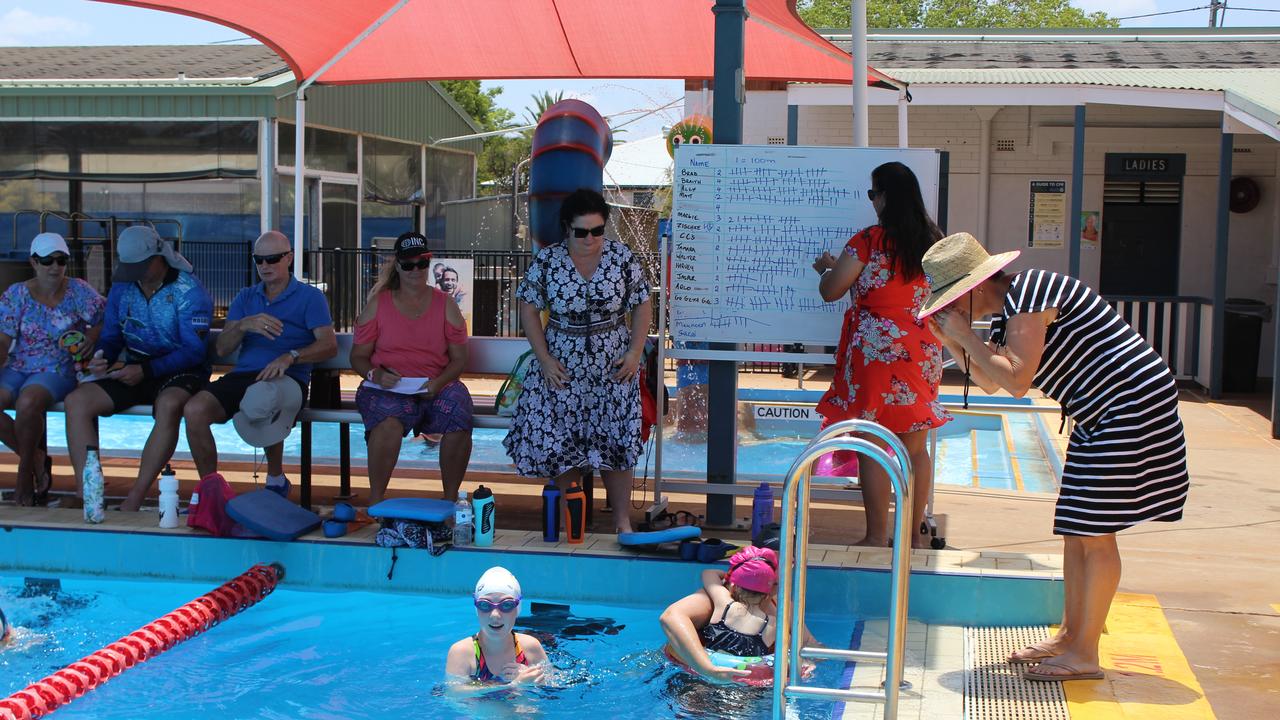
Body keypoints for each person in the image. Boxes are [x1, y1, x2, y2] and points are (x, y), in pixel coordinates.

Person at [920, 232, 1190, 682]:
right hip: (1099, 412)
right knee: (1074, 527)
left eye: (952, 301)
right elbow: (992, 382)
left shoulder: (1032, 291)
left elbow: (1019, 379)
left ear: (976, 288)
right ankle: (1070, 636)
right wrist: (953, 342)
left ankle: (1085, 653)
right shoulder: (1010, 316)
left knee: (1096, 533)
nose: (950, 310)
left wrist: (965, 333)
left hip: (1129, 405)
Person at [811, 161, 950, 548]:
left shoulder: (868, 240)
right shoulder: (933, 241)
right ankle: (912, 537)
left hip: (874, 350)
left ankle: (876, 535)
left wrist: (826, 269)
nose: (872, 201)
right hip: (920, 348)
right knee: (915, 447)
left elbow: (832, 290)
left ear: (886, 196)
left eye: (873, 193)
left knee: (872, 442)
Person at [503, 189, 652, 534]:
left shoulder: (621, 257)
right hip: (562, 362)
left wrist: (634, 351)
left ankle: (621, 522)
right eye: (582, 232)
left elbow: (642, 304)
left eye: (597, 231)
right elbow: (528, 307)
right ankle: (572, 522)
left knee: (615, 441)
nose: (590, 239)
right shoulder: (549, 260)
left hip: (612, 363)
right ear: (567, 229)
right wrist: (544, 359)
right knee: (562, 441)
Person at [63, 226, 213, 512]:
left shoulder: (189, 292)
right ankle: (88, 494)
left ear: (159, 257)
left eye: (141, 266)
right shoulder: (123, 287)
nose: (136, 273)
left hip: (182, 370)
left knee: (169, 405)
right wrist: (101, 357)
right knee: (76, 401)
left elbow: (195, 351)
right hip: (134, 367)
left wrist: (145, 371)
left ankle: (135, 497)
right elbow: (111, 335)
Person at [181, 231, 337, 492]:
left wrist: (291, 356)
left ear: (289, 258)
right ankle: (211, 490)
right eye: (259, 259)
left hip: (288, 377)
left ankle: (275, 478)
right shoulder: (246, 297)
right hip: (246, 374)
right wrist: (243, 325)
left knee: (261, 396)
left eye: (272, 259)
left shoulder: (310, 297)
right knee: (194, 410)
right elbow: (222, 348)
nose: (265, 266)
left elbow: (329, 345)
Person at [350, 232, 473, 504]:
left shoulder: (446, 304)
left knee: (459, 414)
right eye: (409, 264)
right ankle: (377, 502)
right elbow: (358, 356)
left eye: (422, 262)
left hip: (435, 383)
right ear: (398, 266)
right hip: (388, 387)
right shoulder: (378, 304)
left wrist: (437, 383)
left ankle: (450, 503)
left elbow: (459, 360)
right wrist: (376, 375)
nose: (416, 269)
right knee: (388, 423)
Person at [0, 233, 104, 506]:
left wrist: (91, 339)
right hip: (19, 366)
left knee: (29, 401)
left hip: (58, 368)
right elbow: (3, 340)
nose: (55, 267)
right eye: (47, 261)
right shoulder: (17, 294)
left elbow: (105, 319)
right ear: (33, 262)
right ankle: (34, 457)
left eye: (61, 260)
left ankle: (24, 476)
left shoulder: (79, 291)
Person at [661, 547, 818, 684]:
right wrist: (707, 668)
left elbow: (809, 645)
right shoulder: (714, 600)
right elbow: (670, 617)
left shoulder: (726, 602)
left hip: (740, 683)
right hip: (695, 675)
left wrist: (806, 660)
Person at [445, 566, 549, 686]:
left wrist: (532, 675)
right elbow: (454, 694)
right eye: (484, 605)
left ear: (518, 608)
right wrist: (515, 684)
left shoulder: (530, 647)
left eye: (506, 605)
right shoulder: (462, 652)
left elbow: (554, 685)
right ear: (476, 609)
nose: (495, 615)